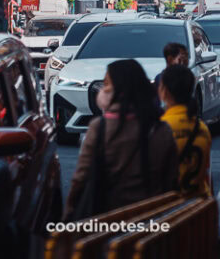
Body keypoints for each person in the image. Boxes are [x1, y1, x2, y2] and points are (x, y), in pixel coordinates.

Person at [64, 59, 178, 219]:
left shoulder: (99, 128)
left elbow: (80, 178)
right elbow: (171, 181)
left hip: (106, 221)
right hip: (151, 221)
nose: (102, 89)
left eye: (106, 83)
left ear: (120, 89)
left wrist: (68, 213)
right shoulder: (162, 130)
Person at [159, 64, 212, 196]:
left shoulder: (161, 127)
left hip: (172, 207)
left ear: (164, 91)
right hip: (199, 203)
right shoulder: (202, 128)